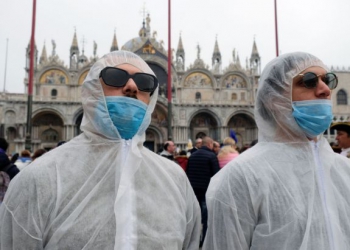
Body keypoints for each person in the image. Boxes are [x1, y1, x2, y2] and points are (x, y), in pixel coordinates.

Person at [0, 51, 201, 249]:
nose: (131, 86)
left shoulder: (175, 181)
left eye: (144, 82)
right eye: (115, 77)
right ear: (92, 90)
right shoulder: (38, 179)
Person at [203, 52, 350, 249]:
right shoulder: (241, 176)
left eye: (328, 80)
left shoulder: (344, 170)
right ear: (274, 98)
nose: (325, 90)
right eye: (309, 81)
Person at [186, 136, 220, 247]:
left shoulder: (192, 156)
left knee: (195, 215)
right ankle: (205, 239)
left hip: (194, 189)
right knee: (206, 217)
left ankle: (192, 240)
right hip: (207, 189)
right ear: (210, 144)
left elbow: (187, 172)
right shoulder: (212, 156)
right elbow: (216, 175)